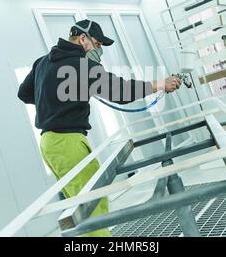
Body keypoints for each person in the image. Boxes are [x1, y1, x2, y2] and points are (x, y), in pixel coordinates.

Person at [18, 19, 181, 237]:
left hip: (50, 144)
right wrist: (160, 84)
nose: (99, 50)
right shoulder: (83, 65)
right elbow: (121, 91)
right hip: (68, 143)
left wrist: (56, 100)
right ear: (83, 38)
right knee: (91, 207)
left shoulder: (42, 62)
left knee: (85, 204)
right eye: (98, 44)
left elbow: (25, 93)